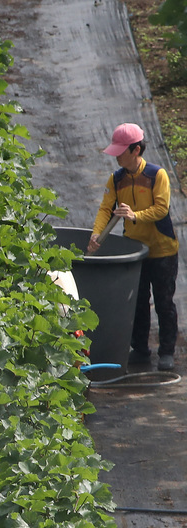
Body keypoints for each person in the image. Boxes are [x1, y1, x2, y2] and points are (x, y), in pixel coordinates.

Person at [88, 123, 179, 371]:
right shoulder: (116, 179)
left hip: (162, 250)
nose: (116, 156)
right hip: (136, 251)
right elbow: (106, 208)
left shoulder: (156, 175)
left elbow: (161, 209)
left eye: (120, 151)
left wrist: (134, 215)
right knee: (138, 301)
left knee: (163, 302)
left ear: (135, 150)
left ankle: (167, 352)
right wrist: (97, 235)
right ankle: (140, 349)